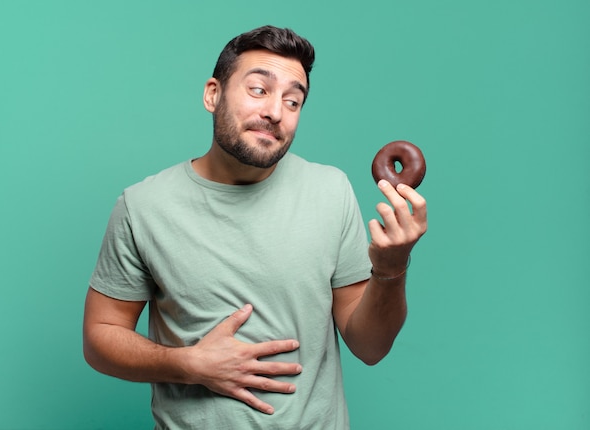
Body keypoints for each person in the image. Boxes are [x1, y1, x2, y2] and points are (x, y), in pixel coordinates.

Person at [83, 25, 427, 429]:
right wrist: (187, 363)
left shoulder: (330, 190)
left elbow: (370, 346)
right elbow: (99, 338)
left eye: (293, 100)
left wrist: (391, 268)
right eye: (258, 90)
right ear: (213, 94)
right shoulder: (143, 206)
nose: (275, 112)